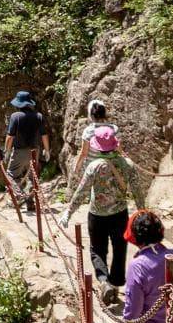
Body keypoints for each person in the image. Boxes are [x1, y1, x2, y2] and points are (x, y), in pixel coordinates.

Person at [59, 128, 144, 303]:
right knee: (120, 247)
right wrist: (142, 211)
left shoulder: (94, 166)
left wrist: (69, 211)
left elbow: (81, 191)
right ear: (115, 144)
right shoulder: (127, 164)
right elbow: (137, 190)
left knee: (97, 249)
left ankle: (104, 281)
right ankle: (115, 283)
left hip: (97, 214)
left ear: (97, 148)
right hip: (120, 213)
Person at [4, 91, 50, 213]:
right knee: (32, 177)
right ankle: (30, 202)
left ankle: (19, 196)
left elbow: (10, 136)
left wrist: (7, 151)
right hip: (35, 151)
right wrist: (46, 150)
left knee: (11, 175)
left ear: (18, 104)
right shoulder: (38, 116)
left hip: (20, 151)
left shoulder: (15, 116)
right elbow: (44, 135)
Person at [74, 97, 119, 174]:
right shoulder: (114, 129)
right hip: (111, 167)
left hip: (93, 168)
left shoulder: (88, 131)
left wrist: (77, 167)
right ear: (104, 114)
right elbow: (118, 148)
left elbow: (84, 153)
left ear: (91, 115)